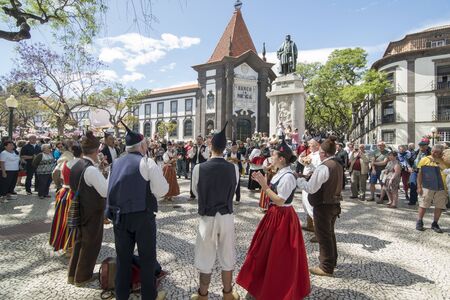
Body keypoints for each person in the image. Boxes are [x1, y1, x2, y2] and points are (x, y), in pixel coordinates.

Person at [237, 139, 310, 299]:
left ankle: (278, 284)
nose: (272, 156)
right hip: (274, 215)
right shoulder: (281, 172)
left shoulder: (288, 176)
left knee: (279, 253)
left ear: (282, 158)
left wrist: (264, 185)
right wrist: (262, 181)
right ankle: (262, 279)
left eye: (274, 154)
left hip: (282, 217)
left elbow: (279, 200)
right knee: (264, 249)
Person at [106, 122, 168, 300]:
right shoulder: (146, 162)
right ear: (141, 145)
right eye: (146, 144)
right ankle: (149, 296)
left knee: (123, 260)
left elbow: (108, 190)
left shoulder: (115, 164)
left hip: (120, 218)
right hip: (142, 217)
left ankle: (121, 296)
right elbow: (162, 190)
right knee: (147, 259)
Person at [191, 122, 240, 300]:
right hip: (226, 215)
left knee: (205, 256)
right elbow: (233, 190)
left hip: (207, 217)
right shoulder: (233, 167)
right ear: (225, 148)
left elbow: (196, 192)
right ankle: (227, 294)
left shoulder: (199, 168)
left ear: (210, 146)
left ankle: (203, 294)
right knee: (227, 253)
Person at [297, 136, 343, 277]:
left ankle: (326, 267)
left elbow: (311, 188)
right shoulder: (337, 164)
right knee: (330, 234)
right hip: (334, 203)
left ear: (323, 152)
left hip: (324, 205)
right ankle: (332, 261)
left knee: (323, 237)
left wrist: (299, 180)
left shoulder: (324, 167)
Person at [67, 131, 107, 286]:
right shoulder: (90, 169)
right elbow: (105, 191)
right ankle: (82, 277)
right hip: (91, 211)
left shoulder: (76, 164)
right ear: (97, 151)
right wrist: (108, 174)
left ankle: (73, 274)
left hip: (81, 209)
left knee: (79, 242)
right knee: (90, 244)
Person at [49, 145, 82, 252]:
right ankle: (72, 246)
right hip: (73, 194)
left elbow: (60, 177)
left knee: (63, 219)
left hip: (64, 193)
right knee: (74, 220)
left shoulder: (66, 163)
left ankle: (63, 243)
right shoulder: (82, 164)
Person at [415, 144, 448, 233]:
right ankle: (419, 221)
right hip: (427, 186)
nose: (433, 153)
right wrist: (419, 186)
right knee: (423, 204)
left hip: (442, 187)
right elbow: (420, 174)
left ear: (441, 153)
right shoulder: (425, 159)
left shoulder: (446, 161)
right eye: (432, 151)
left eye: (436, 152)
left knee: (439, 206)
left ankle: (435, 223)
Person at [299, 138, 321, 233]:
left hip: (312, 180)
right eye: (309, 145)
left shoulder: (319, 155)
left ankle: (318, 231)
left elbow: (318, 168)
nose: (309, 147)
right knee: (305, 203)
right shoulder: (311, 154)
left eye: (311, 145)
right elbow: (304, 163)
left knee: (311, 204)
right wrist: (301, 158)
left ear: (317, 145)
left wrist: (309, 164)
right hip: (306, 180)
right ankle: (310, 225)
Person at [408, 138, 431, 206]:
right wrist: (409, 167)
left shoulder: (430, 153)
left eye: (423, 145)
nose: (421, 147)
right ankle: (412, 201)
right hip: (415, 170)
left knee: (425, 187)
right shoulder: (416, 152)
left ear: (427, 146)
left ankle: (425, 201)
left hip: (425, 171)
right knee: (413, 185)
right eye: (420, 145)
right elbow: (410, 160)